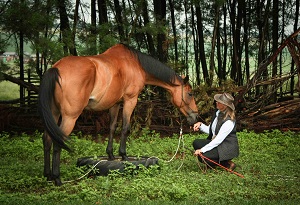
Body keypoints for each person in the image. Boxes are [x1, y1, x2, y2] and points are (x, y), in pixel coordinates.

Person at [192, 92, 239, 170]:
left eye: (219, 102)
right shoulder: (218, 113)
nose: (216, 102)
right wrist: (200, 125)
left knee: (202, 157)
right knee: (196, 143)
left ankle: (227, 164)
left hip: (226, 147)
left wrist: (202, 150)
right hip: (219, 144)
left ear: (224, 105)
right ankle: (216, 160)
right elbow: (212, 130)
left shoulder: (229, 122)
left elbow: (218, 140)